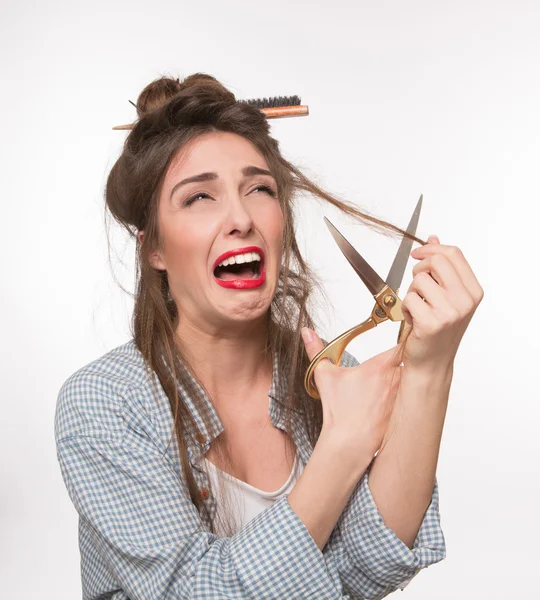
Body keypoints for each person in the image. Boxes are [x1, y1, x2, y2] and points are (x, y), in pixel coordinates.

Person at [54, 73, 483, 600]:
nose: (240, 218)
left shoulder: (332, 380)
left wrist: (429, 368)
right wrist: (344, 448)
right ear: (154, 250)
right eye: (199, 198)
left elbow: (371, 569)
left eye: (259, 189)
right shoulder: (104, 403)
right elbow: (196, 593)